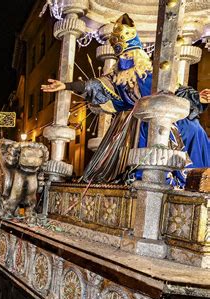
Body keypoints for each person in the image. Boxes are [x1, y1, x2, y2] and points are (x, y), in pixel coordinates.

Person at [41, 13, 210, 185]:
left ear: (137, 55)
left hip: (163, 120)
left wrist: (198, 97)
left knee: (194, 131)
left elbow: (178, 91)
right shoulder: (117, 79)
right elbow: (93, 85)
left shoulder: (153, 74)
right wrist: (66, 86)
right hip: (133, 122)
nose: (123, 60)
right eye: (120, 57)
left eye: (127, 56)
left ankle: (193, 178)